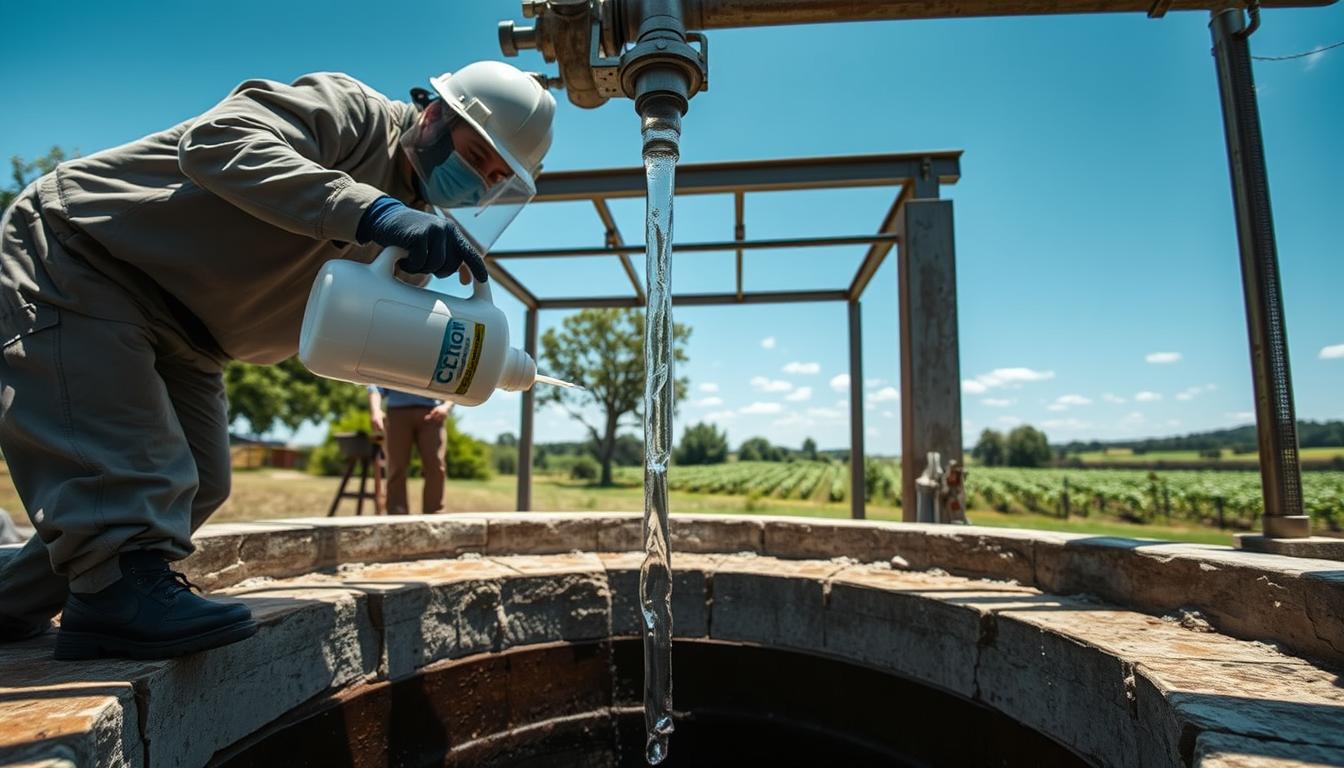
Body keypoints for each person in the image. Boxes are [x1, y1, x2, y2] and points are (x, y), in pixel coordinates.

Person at [0, 62, 556, 660]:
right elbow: (215, 142)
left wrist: (461, 361)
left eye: (494, 179)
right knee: (135, 481)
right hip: (84, 255)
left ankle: (12, 602)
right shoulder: (355, 115)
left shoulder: (418, 243)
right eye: (474, 157)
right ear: (435, 115)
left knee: (199, 482)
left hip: (194, 338)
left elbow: (366, 336)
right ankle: (111, 605)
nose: (476, 184)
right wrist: (374, 212)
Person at [368, 386, 453, 515]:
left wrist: (446, 406)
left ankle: (435, 514)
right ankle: (396, 516)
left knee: (435, 465)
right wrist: (375, 410)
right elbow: (375, 386)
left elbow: (455, 382)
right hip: (397, 412)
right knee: (396, 465)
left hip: (433, 412)